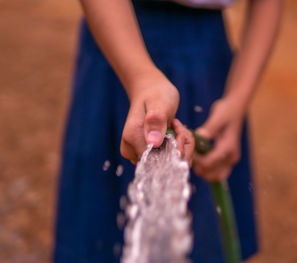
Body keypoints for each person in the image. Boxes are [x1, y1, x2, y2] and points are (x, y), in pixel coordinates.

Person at [54, 0, 282, 262]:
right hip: (115, 36)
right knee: (95, 236)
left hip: (207, 58)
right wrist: (139, 77)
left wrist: (237, 101)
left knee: (204, 241)